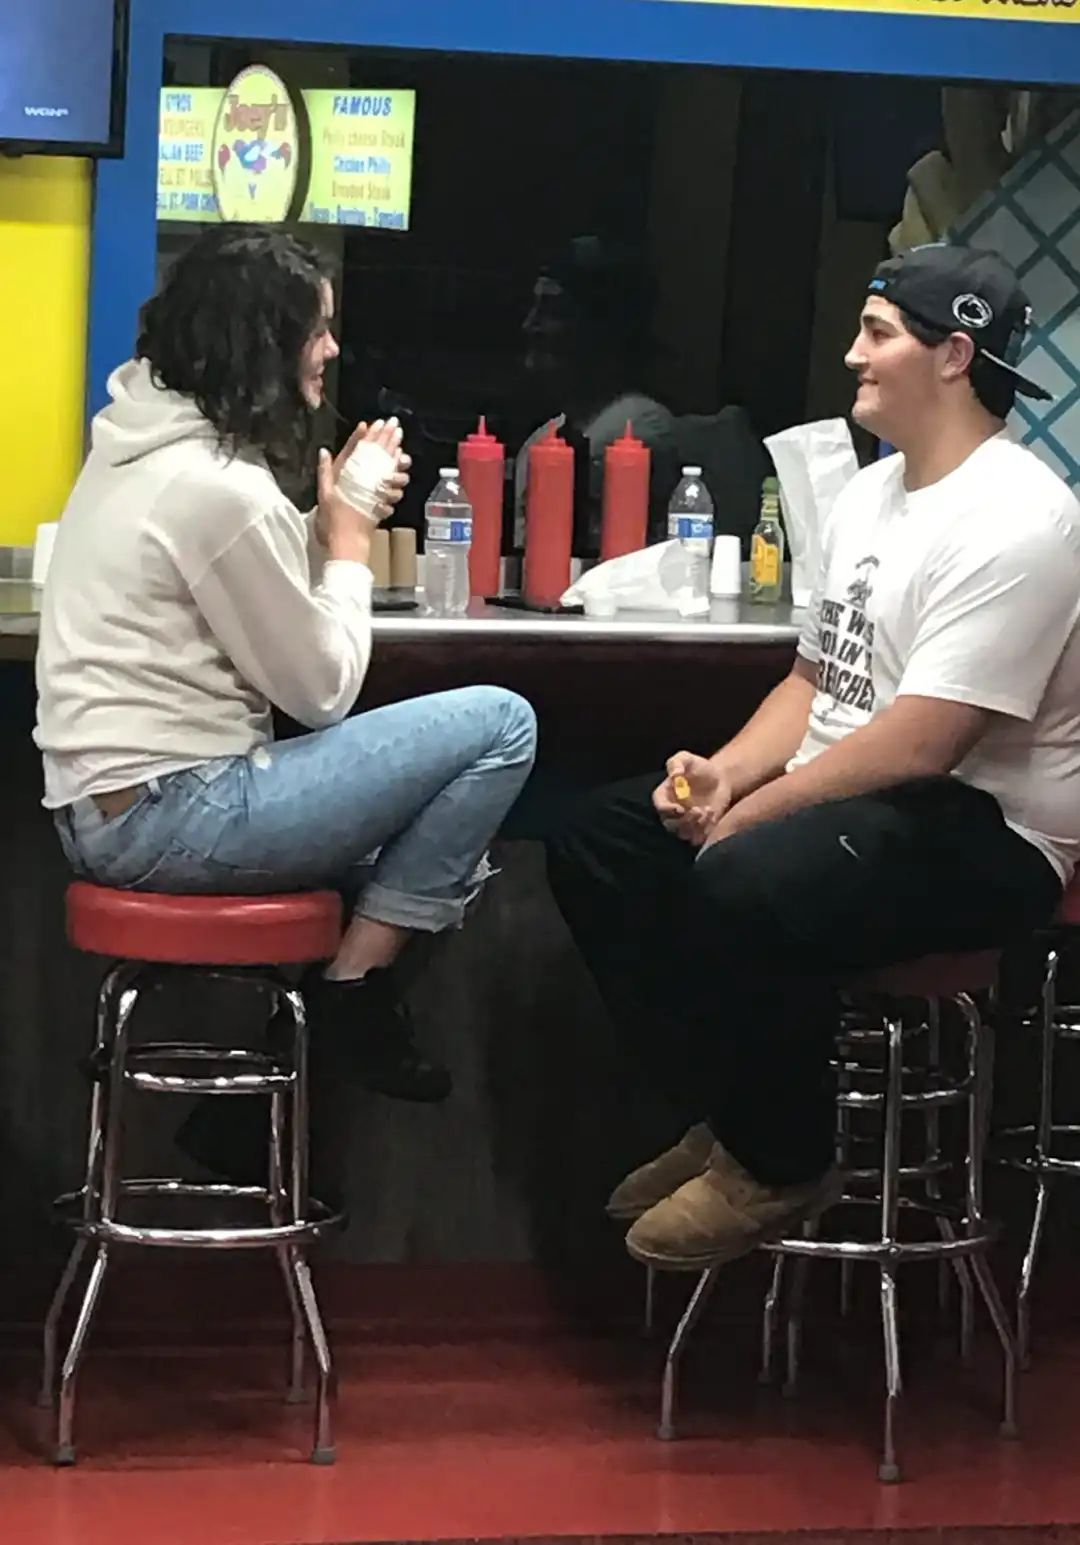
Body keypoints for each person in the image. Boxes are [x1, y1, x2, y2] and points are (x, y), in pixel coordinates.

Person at [547, 243, 1080, 1272]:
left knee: (748, 877)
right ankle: (733, 1112)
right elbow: (814, 680)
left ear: (955, 355)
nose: (852, 356)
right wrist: (728, 773)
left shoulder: (1024, 516)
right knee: (599, 841)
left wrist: (760, 814)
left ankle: (779, 1159)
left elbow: (931, 738)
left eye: (877, 333)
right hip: (870, 805)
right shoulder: (869, 499)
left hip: (991, 829)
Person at [36, 225, 537, 1128]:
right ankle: (346, 999)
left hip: (107, 815)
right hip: (173, 815)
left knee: (429, 862)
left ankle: (246, 1112)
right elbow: (322, 689)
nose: (333, 350)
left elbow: (238, 579)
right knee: (502, 725)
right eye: (319, 330)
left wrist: (318, 520)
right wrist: (346, 542)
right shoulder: (216, 486)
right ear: (267, 344)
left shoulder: (137, 453)